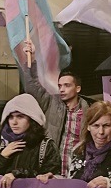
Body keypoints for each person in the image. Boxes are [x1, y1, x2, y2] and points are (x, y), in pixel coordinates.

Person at [21, 42, 90, 176]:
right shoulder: (52, 102)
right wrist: (32, 57)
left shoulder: (88, 111)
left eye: (67, 85)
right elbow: (32, 86)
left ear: (78, 89)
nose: (62, 89)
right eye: (60, 85)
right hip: (52, 170)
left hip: (76, 172)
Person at [0, 94, 60, 188]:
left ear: (32, 119)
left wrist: (17, 174)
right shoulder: (4, 143)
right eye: (11, 117)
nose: (14, 122)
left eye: (20, 117)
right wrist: (2, 157)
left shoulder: (46, 145)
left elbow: (50, 178)